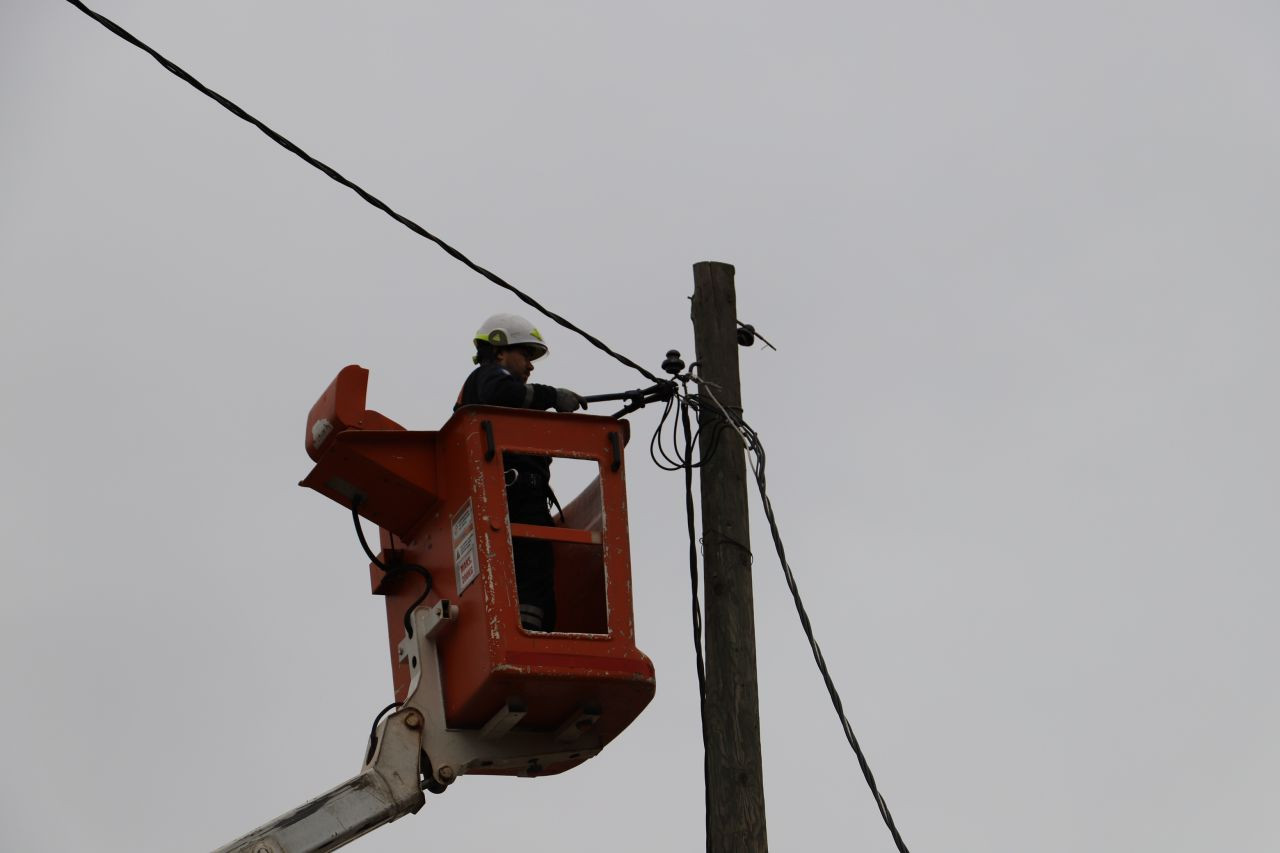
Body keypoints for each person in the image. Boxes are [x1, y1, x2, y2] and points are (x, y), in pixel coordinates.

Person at [455, 313, 586, 632]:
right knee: (533, 572)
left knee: (528, 575)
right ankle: (530, 636)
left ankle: (529, 632)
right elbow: (505, 393)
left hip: (507, 496)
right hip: (517, 496)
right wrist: (552, 397)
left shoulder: (491, 396)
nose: (530, 366)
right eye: (525, 354)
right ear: (500, 351)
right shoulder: (490, 376)